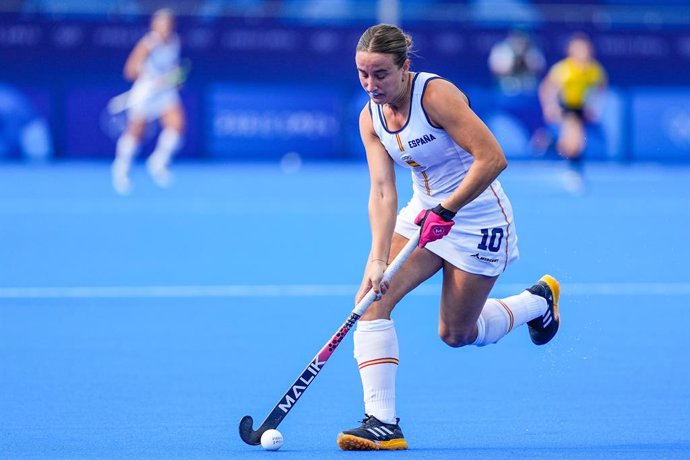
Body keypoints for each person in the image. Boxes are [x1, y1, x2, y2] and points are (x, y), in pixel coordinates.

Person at [337, 24, 560, 451]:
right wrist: (377, 258)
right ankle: (382, 423)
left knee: (456, 333)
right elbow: (383, 192)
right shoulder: (370, 116)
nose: (371, 85)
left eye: (380, 74)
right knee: (370, 299)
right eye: (362, 74)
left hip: (478, 218)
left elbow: (493, 158)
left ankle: (537, 302)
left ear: (405, 67)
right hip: (424, 212)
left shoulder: (436, 96)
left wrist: (449, 209)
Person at [111, 8, 185, 195]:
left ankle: (158, 162)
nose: (164, 28)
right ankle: (121, 169)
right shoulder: (147, 43)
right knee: (136, 133)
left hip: (165, 93)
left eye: (167, 25)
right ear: (154, 26)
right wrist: (151, 78)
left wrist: (176, 79)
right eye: (160, 24)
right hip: (146, 93)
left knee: (177, 125)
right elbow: (129, 70)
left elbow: (173, 66)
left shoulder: (175, 41)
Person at [538, 33, 607, 194]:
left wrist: (595, 106)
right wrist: (550, 106)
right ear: (571, 51)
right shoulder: (563, 69)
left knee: (571, 145)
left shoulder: (594, 70)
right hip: (566, 107)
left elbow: (601, 87)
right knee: (576, 142)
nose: (583, 52)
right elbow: (547, 88)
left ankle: (549, 143)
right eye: (578, 49)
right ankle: (574, 174)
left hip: (581, 108)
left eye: (585, 49)